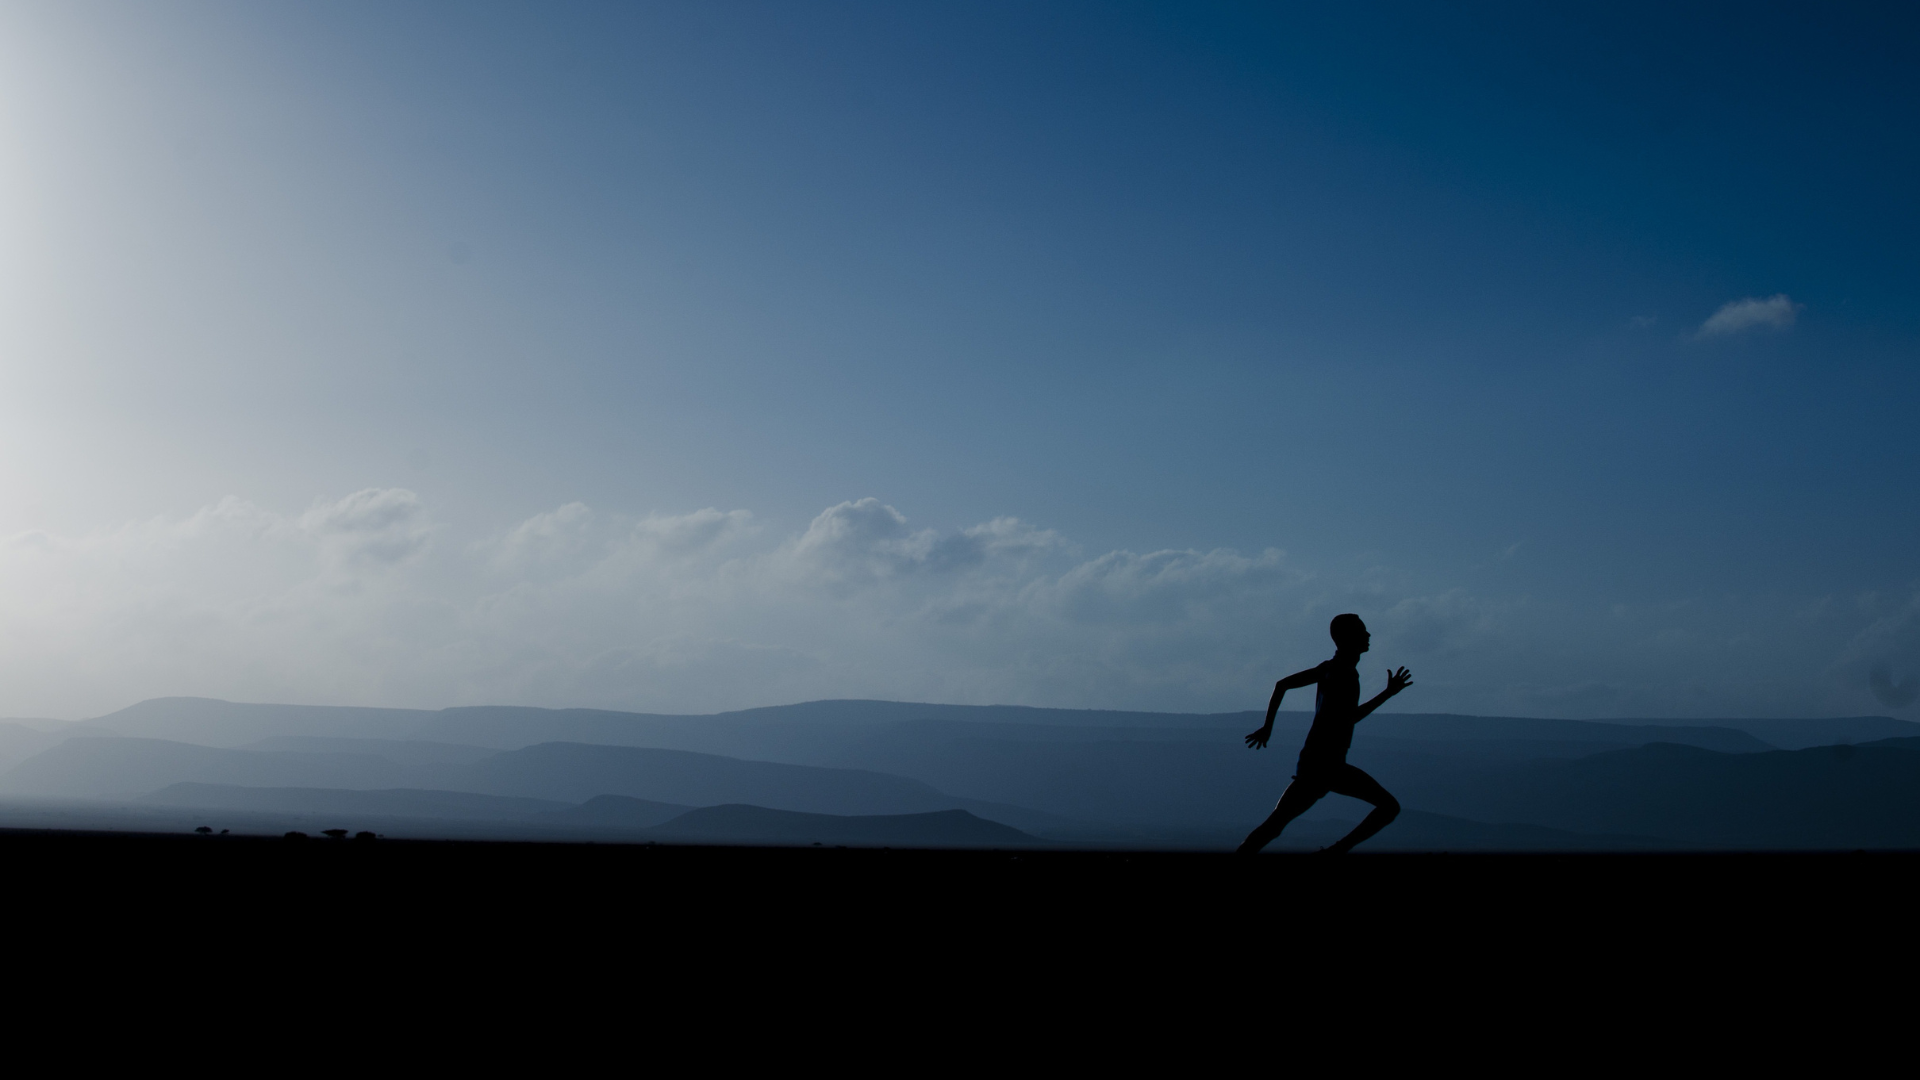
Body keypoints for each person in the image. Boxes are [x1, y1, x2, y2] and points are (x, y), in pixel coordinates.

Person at [1237, 614, 1413, 854]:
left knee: (1276, 824)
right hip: (1327, 765)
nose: (1368, 635)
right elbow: (1349, 717)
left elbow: (1282, 685)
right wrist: (1387, 694)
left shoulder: (1330, 668)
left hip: (1316, 763)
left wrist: (1268, 727)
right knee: (1389, 807)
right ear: (1347, 638)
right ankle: (1336, 852)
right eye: (1362, 631)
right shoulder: (1343, 674)